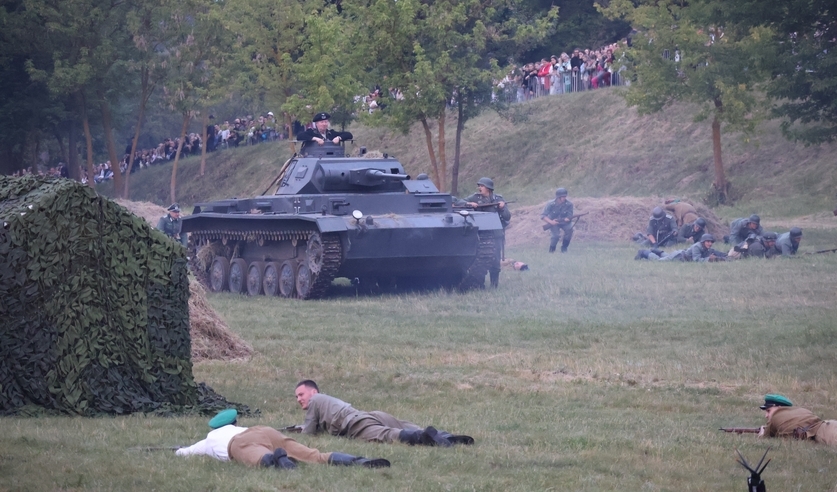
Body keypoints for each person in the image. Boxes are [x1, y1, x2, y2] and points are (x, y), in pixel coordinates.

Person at [175, 409, 390, 469]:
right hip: (264, 431)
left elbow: (183, 452)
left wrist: (180, 449)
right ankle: (358, 461)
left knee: (260, 459)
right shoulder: (241, 426)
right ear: (234, 421)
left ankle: (279, 460)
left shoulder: (210, 438)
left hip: (239, 444)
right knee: (313, 455)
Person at [292, 380, 474, 447]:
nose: (299, 399)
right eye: (297, 396)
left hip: (355, 424)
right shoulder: (327, 402)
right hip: (367, 415)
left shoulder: (315, 400)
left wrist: (295, 432)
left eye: (301, 394)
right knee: (404, 424)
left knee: (388, 435)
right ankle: (447, 436)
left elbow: (309, 431)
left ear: (313, 392)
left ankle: (423, 438)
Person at [458, 177, 510, 288]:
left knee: (496, 261)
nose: (479, 188)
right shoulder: (475, 197)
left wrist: (502, 208)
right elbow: (459, 202)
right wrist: (469, 204)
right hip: (479, 235)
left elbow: (507, 216)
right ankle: (478, 283)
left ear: (488, 188)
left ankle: (494, 285)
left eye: (482, 186)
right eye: (479, 186)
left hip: (495, 234)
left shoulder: (498, 198)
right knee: (479, 259)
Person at [757, 394, 837, 446]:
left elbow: (765, 439)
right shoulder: (801, 410)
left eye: (768, 411)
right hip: (829, 424)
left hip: (825, 434)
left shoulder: (776, 416)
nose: (766, 415)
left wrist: (762, 433)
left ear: (779, 408)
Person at [637, 234, 721, 262]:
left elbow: (714, 252)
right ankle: (644, 252)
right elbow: (696, 260)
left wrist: (723, 257)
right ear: (703, 242)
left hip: (679, 255)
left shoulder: (706, 247)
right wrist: (709, 259)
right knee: (659, 261)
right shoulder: (697, 247)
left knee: (666, 256)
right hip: (679, 257)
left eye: (711, 242)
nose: (710, 243)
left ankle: (655, 250)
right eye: (708, 241)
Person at [541, 188, 574, 253]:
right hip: (553, 222)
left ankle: (564, 248)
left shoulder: (569, 204)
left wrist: (568, 219)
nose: (564, 198)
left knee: (569, 230)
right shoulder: (551, 204)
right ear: (558, 197)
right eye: (562, 197)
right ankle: (552, 250)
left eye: (565, 196)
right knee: (555, 236)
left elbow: (570, 215)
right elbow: (543, 216)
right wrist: (551, 222)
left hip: (564, 222)